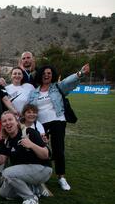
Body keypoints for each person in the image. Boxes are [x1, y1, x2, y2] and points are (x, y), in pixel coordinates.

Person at [27, 63, 90, 191]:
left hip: (58, 121)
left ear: (52, 75)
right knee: (40, 149)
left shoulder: (57, 87)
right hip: (40, 124)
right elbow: (30, 108)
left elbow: (68, 82)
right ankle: (40, 176)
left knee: (58, 149)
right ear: (40, 75)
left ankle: (61, 177)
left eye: (49, 73)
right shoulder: (34, 92)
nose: (46, 75)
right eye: (44, 73)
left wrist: (80, 73)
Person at [0, 111, 52, 204]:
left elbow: (45, 155)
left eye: (10, 119)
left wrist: (31, 145)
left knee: (7, 173)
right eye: (4, 121)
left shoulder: (28, 132)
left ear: (16, 121)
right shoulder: (7, 141)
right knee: (4, 193)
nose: (8, 123)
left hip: (43, 169)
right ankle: (34, 188)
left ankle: (30, 198)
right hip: (25, 173)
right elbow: (1, 161)